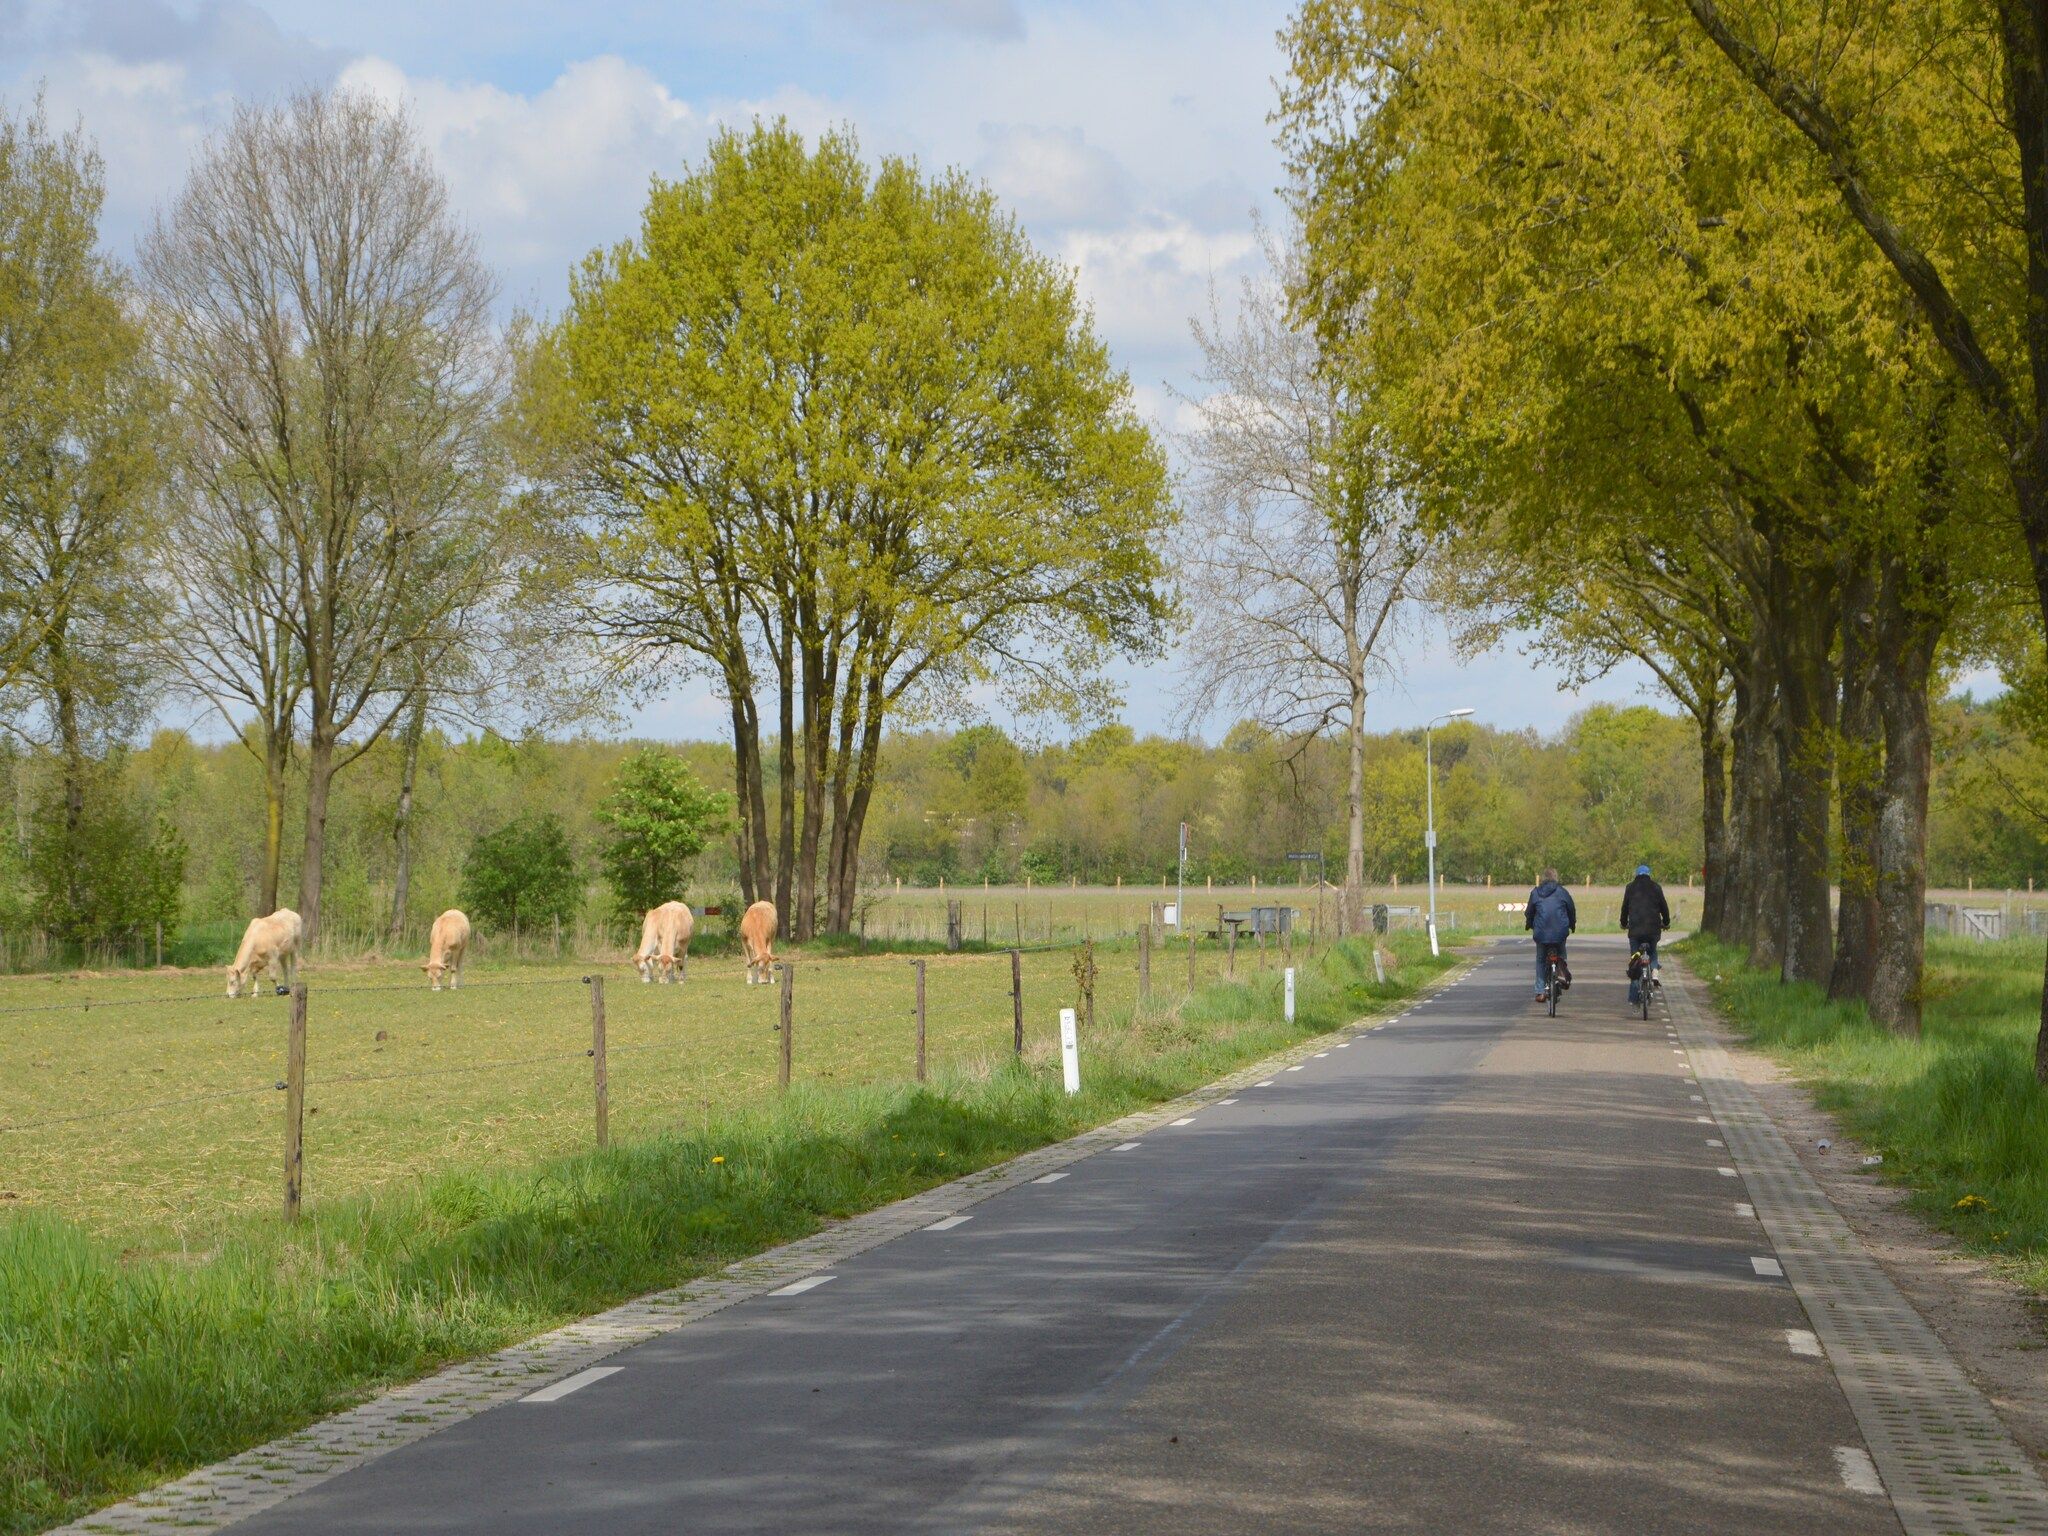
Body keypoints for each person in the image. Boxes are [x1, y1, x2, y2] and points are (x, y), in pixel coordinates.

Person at [1621, 863, 1671, 1005]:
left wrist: (1623, 923)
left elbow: (1625, 908)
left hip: (1635, 930)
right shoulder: (1656, 887)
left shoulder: (1630, 887)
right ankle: (1654, 972)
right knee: (1652, 951)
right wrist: (1666, 922)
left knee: (1635, 959)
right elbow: (1664, 907)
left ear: (1636, 875)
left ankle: (1633, 999)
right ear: (1649, 874)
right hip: (1653, 929)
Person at [1524, 867, 1577, 999]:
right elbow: (1571, 910)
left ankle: (1540, 991)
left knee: (1541, 960)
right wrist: (1572, 925)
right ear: (1555, 877)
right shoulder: (1563, 892)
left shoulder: (1536, 893)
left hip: (1541, 933)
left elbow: (1529, 912)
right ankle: (1561, 974)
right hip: (1560, 932)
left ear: (1543, 878)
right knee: (1561, 955)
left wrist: (1529, 924)